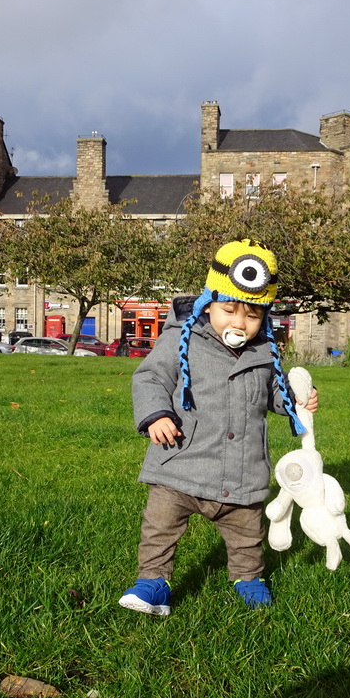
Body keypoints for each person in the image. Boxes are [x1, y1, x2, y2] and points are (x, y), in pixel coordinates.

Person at [120, 239, 318, 615]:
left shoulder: (266, 352)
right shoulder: (182, 338)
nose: (240, 323)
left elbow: (275, 394)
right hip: (179, 461)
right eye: (229, 310)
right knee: (160, 526)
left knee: (247, 533)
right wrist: (157, 415)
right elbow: (150, 378)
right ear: (209, 303)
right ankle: (153, 581)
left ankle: (248, 577)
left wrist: (296, 399)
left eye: (252, 316)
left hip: (240, 469)